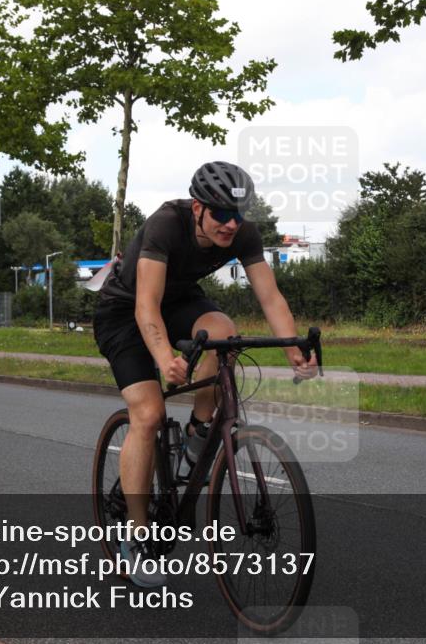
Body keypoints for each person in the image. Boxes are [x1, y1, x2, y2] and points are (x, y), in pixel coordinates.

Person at [92, 161, 317, 586]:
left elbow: (270, 297)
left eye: (238, 215)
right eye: (220, 214)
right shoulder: (165, 225)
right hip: (123, 312)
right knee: (149, 414)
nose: (231, 225)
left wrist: (293, 349)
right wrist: (163, 357)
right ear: (197, 207)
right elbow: (145, 306)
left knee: (224, 335)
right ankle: (138, 535)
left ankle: (198, 433)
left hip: (177, 302)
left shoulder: (243, 233)